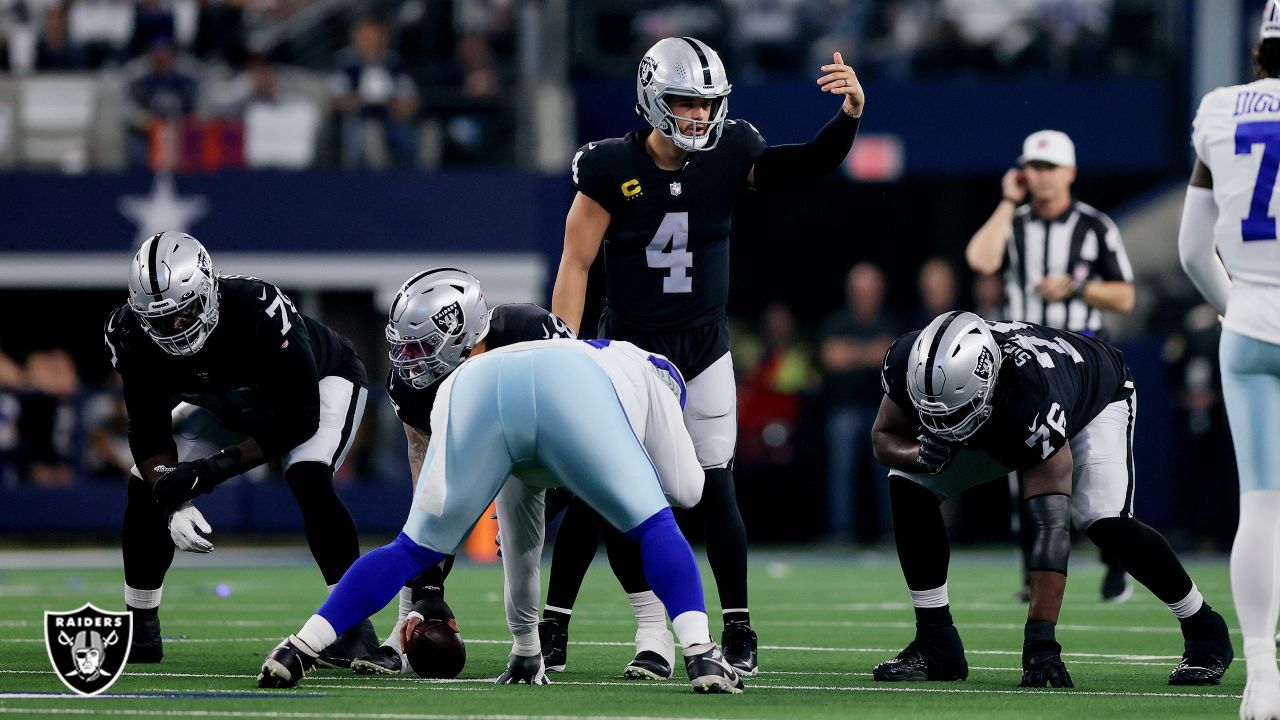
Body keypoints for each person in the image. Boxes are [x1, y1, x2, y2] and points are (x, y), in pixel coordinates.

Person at [546, 35, 866, 677]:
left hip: (702, 349)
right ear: (652, 98)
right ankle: (555, 626)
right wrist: (566, 351)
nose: (698, 116)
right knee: (593, 490)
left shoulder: (732, 150)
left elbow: (805, 163)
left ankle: (739, 627)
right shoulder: (610, 166)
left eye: (706, 103)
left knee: (717, 488)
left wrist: (849, 117)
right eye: (685, 102)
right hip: (630, 350)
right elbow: (576, 264)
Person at [257, 335, 745, 694]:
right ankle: (701, 653)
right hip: (570, 390)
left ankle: (301, 645)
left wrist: (527, 648)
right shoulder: (653, 372)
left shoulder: (589, 356)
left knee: (413, 548)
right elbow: (688, 489)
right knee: (656, 523)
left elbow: (522, 548)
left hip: (474, 383)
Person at [871, 311, 1232, 688]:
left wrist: (1041, 642)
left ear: (988, 383)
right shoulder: (908, 359)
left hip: (1094, 398)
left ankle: (1204, 626)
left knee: (1101, 519)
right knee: (910, 482)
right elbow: (884, 436)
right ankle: (936, 641)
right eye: (932, 414)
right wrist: (916, 455)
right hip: (1010, 408)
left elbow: (1050, 524)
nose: (944, 426)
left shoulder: (1033, 396)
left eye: (957, 412)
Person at [347, 268, 673, 678]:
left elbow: (583, 429)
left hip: (588, 427)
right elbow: (424, 467)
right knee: (429, 518)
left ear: (459, 335)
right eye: (405, 347)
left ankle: (656, 632)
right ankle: (403, 633)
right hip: (504, 445)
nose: (408, 360)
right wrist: (428, 584)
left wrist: (553, 496)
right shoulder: (414, 385)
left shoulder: (529, 332)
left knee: (629, 503)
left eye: (422, 346)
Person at [104, 231, 375, 666]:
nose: (175, 329)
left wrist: (204, 474)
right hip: (222, 403)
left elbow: (299, 417)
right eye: (160, 320)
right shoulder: (128, 334)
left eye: (184, 312)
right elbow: (148, 430)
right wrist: (172, 498)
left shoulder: (257, 308)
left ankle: (354, 630)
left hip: (318, 385)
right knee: (145, 481)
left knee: (307, 473)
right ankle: (141, 628)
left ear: (208, 290)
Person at [964, 128, 1136, 603]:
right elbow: (980, 259)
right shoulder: (1014, 223)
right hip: (1028, 363)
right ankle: (1032, 571)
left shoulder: (1095, 226)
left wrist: (1078, 289)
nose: (1039, 177)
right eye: (1033, 168)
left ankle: (1114, 564)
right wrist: (1004, 201)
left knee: (1097, 470)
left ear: (1070, 173)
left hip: (1083, 364)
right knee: (1028, 464)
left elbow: (1124, 295)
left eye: (1048, 168)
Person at [1177, 4, 1280, 715]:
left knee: (1261, 507)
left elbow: (1190, 249)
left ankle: (1262, 676)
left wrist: (1232, 303)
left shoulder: (1219, 109)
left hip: (1248, 330)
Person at [819, 262, 898, 542]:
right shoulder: (837, 321)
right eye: (859, 290)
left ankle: (893, 531)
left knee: (890, 474)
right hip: (844, 410)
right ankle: (840, 532)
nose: (865, 295)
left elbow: (891, 356)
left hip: (884, 413)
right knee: (841, 472)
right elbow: (831, 358)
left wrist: (851, 353)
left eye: (870, 290)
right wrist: (870, 353)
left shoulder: (890, 322)